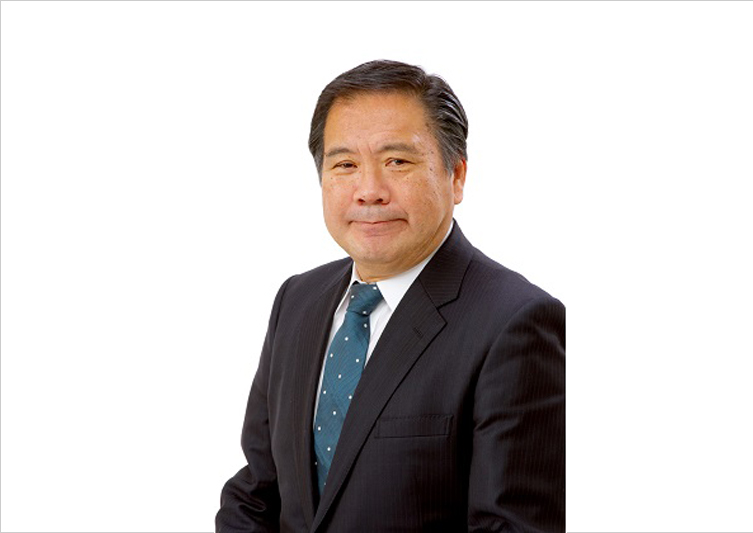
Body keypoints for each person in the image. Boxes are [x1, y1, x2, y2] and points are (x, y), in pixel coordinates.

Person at [216, 59, 565, 533]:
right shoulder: (297, 301)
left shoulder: (517, 323)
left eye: (397, 161)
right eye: (345, 165)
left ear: (456, 176)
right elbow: (256, 493)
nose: (369, 191)